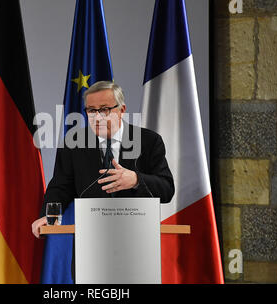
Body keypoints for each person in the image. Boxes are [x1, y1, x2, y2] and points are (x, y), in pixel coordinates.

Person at [32, 81, 174, 238]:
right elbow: (60, 187)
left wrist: (136, 179)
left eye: (105, 109)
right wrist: (48, 216)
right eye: (91, 110)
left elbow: (167, 189)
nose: (97, 117)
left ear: (121, 110)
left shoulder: (148, 141)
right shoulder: (74, 142)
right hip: (90, 240)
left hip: (137, 237)